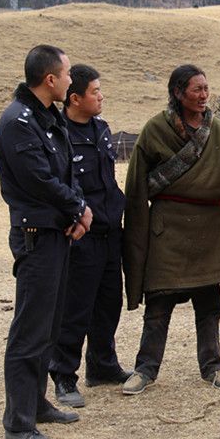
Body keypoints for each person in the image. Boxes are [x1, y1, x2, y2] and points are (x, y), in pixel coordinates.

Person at [121, 64, 220, 395]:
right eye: (196, 89)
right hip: (167, 231)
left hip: (212, 231)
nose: (203, 95)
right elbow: (136, 189)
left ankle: (213, 367)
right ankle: (145, 369)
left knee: (209, 304)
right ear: (178, 93)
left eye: (206, 88)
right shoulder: (155, 130)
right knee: (159, 304)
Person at [0, 45, 92, 439]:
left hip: (57, 232)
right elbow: (39, 181)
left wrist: (78, 208)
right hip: (36, 235)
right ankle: (18, 423)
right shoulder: (17, 123)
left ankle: (36, 404)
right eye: (66, 74)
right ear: (50, 79)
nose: (71, 80)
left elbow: (68, 171)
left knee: (49, 326)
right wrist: (78, 208)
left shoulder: (48, 117)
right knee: (30, 330)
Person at [48, 64, 130, 408]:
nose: (101, 97)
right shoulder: (58, 134)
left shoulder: (101, 129)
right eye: (95, 92)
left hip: (111, 231)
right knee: (75, 308)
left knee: (110, 302)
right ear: (75, 98)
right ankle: (64, 376)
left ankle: (103, 365)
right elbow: (59, 184)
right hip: (83, 234)